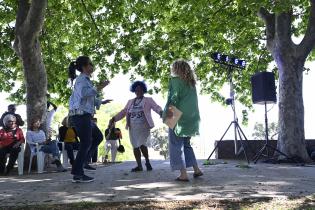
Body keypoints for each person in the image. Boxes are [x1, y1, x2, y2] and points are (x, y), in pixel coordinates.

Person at [68, 56, 111, 183]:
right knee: (86, 142)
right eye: (90, 64)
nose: (92, 67)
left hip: (84, 115)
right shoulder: (81, 80)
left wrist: (101, 101)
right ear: (84, 67)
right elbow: (84, 94)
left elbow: (87, 98)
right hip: (80, 115)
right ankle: (78, 173)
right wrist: (99, 87)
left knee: (97, 137)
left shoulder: (85, 80)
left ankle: (84, 163)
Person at [162, 60, 203, 182]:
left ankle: (183, 174)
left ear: (176, 69)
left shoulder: (175, 81)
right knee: (186, 144)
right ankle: (196, 170)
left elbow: (173, 98)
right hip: (192, 116)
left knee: (175, 145)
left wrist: (167, 113)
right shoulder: (192, 83)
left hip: (177, 114)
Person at [110, 81, 162, 172]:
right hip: (133, 127)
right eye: (136, 90)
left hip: (144, 127)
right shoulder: (130, 102)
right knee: (135, 146)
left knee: (142, 144)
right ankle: (139, 166)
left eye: (140, 90)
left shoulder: (148, 100)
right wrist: (114, 118)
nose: (138, 91)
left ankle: (147, 161)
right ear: (134, 91)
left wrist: (161, 112)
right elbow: (123, 112)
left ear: (143, 90)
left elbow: (156, 107)